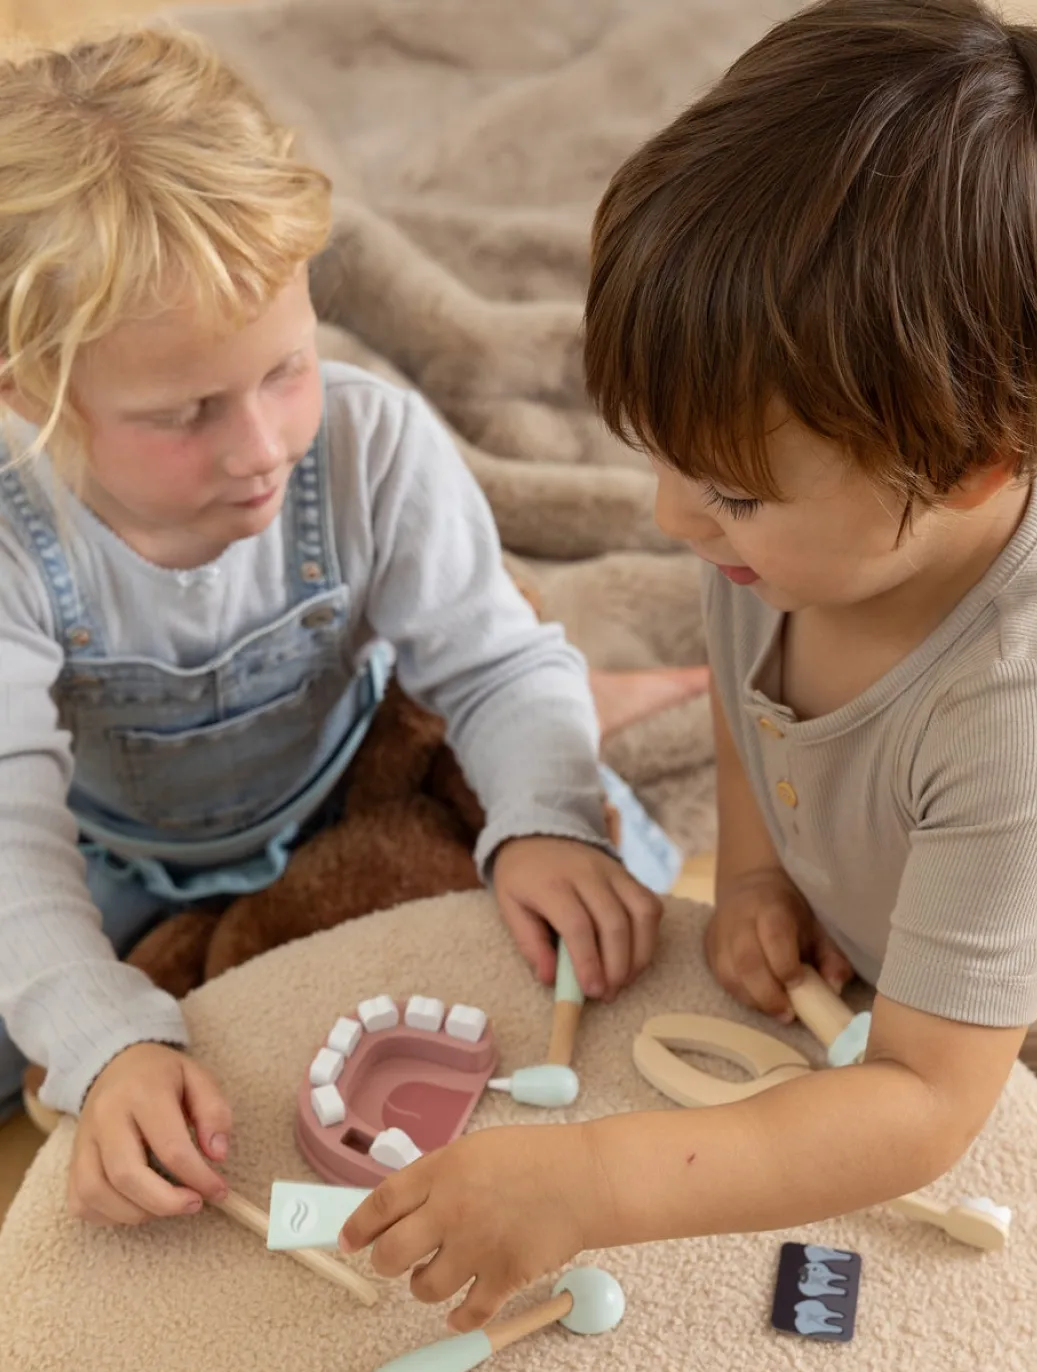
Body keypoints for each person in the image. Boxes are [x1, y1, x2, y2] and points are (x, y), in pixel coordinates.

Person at [342, 0, 1037, 1327]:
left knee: (1009, 1321)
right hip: (874, 984)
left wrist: (593, 1177)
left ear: (968, 465)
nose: (672, 517)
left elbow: (926, 1100)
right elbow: (747, 700)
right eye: (664, 461)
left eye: (726, 490)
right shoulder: (774, 556)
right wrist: (760, 872)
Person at [0, 26, 667, 1227]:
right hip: (102, 847)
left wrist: (543, 822)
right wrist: (105, 1039)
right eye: (186, 412)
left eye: (287, 368)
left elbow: (496, 666)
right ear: (29, 390)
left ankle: (590, 735)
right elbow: (10, 827)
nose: (260, 447)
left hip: (349, 780)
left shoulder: (374, 445)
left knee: (600, 897)